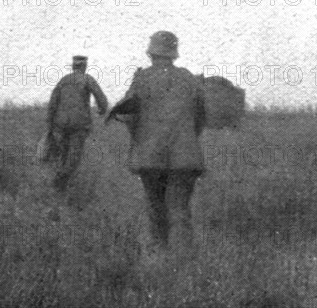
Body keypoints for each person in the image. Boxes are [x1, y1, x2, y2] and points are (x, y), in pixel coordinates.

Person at [107, 31, 205, 256]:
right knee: (180, 209)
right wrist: (187, 140)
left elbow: (129, 114)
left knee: (156, 207)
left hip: (150, 156)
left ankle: (159, 257)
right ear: (174, 54)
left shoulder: (142, 78)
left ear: (151, 52)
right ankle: (183, 262)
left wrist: (142, 139)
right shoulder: (189, 78)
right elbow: (200, 118)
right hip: (185, 156)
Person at [46, 55, 108, 193]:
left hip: (60, 124)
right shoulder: (87, 79)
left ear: (73, 66)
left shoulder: (63, 81)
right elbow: (101, 99)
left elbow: (52, 103)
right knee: (74, 157)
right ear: (84, 66)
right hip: (79, 125)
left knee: (63, 153)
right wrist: (102, 110)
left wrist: (50, 125)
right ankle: (61, 181)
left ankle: (61, 187)